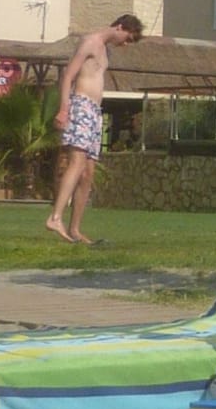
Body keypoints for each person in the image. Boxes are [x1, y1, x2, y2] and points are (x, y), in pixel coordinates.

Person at [45, 14, 145, 245]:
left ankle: (75, 229)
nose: (125, 44)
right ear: (119, 27)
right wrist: (64, 109)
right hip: (80, 105)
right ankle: (55, 217)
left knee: (88, 173)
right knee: (76, 162)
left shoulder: (105, 50)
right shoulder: (90, 42)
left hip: (94, 111)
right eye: (127, 38)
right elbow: (68, 76)